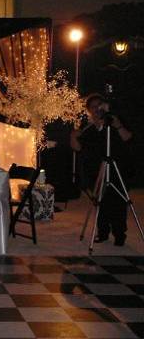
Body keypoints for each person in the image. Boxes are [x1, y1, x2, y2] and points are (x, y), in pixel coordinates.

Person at [70, 93, 133, 246]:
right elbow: (77, 148)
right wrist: (73, 136)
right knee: (101, 201)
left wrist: (118, 126)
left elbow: (128, 138)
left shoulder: (114, 121)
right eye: (93, 107)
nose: (97, 109)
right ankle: (102, 232)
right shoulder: (89, 128)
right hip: (96, 171)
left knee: (118, 202)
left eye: (99, 106)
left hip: (116, 167)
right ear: (89, 110)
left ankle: (119, 234)